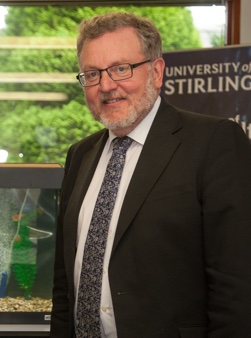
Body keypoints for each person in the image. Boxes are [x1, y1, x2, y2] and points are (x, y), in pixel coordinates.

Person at [50, 12, 251, 338]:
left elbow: (237, 286)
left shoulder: (214, 143)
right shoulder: (80, 155)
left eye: (120, 69)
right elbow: (64, 282)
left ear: (156, 72)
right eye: (91, 73)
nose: (106, 85)